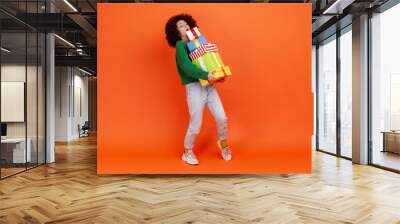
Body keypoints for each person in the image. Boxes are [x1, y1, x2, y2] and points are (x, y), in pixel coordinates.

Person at [165, 13, 232, 165]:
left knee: (222, 118)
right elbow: (187, 68)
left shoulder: (199, 43)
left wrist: (218, 75)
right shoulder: (180, 46)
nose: (185, 27)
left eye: (186, 24)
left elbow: (209, 63)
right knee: (196, 123)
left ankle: (224, 144)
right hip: (194, 88)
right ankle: (187, 152)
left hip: (209, 85)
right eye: (181, 26)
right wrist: (207, 75)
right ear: (175, 32)